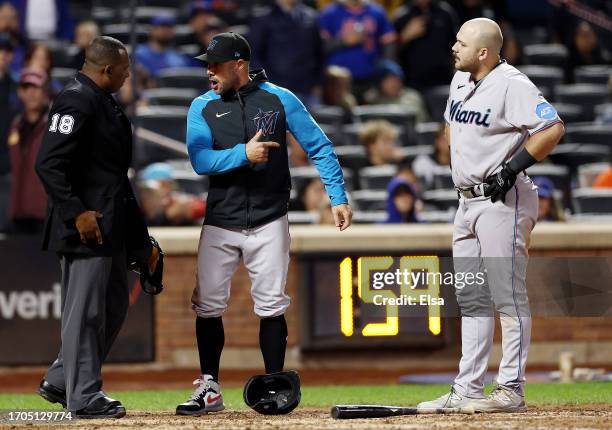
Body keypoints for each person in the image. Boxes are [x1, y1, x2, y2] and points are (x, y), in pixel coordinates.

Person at [176, 31, 352, 415]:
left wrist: (337, 197)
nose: (209, 71)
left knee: (271, 304)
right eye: (207, 64)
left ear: (239, 64)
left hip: (270, 216)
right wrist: (244, 154)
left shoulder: (280, 98)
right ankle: (209, 387)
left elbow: (319, 146)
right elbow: (200, 160)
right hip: (221, 219)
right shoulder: (201, 107)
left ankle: (274, 383)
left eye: (216, 64)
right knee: (207, 305)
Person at [417, 18, 564, 412]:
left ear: (483, 52)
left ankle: (511, 388)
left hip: (503, 200)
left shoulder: (512, 83)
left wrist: (511, 167)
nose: (454, 48)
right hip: (466, 203)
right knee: (472, 297)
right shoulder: (459, 80)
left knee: (507, 297)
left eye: (461, 43)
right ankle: (467, 389)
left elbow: (552, 127)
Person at [35, 36, 158, 418]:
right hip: (86, 229)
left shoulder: (103, 101)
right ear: (107, 69)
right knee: (85, 312)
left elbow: (116, 179)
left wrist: (140, 240)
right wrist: (76, 213)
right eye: (123, 71)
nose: (127, 77)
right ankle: (83, 396)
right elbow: (49, 164)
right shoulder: (75, 99)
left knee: (115, 306)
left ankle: (60, 379)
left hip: (113, 227)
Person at [249, 0, 324, 108]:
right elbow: (254, 55)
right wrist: (265, 84)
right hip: (275, 89)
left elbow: (319, 53)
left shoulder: (311, 16)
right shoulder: (263, 18)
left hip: (307, 88)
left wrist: (318, 83)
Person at [319, 0, 396, 102]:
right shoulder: (330, 13)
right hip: (339, 81)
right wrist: (343, 41)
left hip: (370, 78)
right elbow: (320, 46)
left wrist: (386, 73)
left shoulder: (377, 11)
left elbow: (388, 43)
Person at [8, 68, 49, 234]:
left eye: (36, 87)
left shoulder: (56, 124)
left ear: (45, 91)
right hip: (18, 211)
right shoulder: (16, 124)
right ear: (20, 92)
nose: (31, 93)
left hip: (44, 213)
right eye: (26, 87)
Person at [393, 0, 458, 91]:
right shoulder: (402, 14)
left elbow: (455, 44)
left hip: (443, 78)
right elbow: (391, 52)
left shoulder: (445, 12)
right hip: (413, 81)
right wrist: (405, 36)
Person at [134, 15, 193, 87]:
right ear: (152, 30)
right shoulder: (138, 53)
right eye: (162, 26)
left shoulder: (179, 59)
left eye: (169, 27)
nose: (165, 30)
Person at [363, 60, 429, 123]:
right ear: (380, 83)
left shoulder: (412, 97)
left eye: (398, 80)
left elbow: (421, 122)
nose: (395, 84)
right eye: (390, 80)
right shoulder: (373, 98)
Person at [0, 32, 19, 232]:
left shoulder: (17, 86)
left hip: (7, 163)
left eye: (7, 51)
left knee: (3, 227)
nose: (3, 55)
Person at [412, 122, 451, 188]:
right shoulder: (423, 162)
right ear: (436, 141)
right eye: (443, 139)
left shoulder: (462, 162)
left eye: (449, 138)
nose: (446, 142)